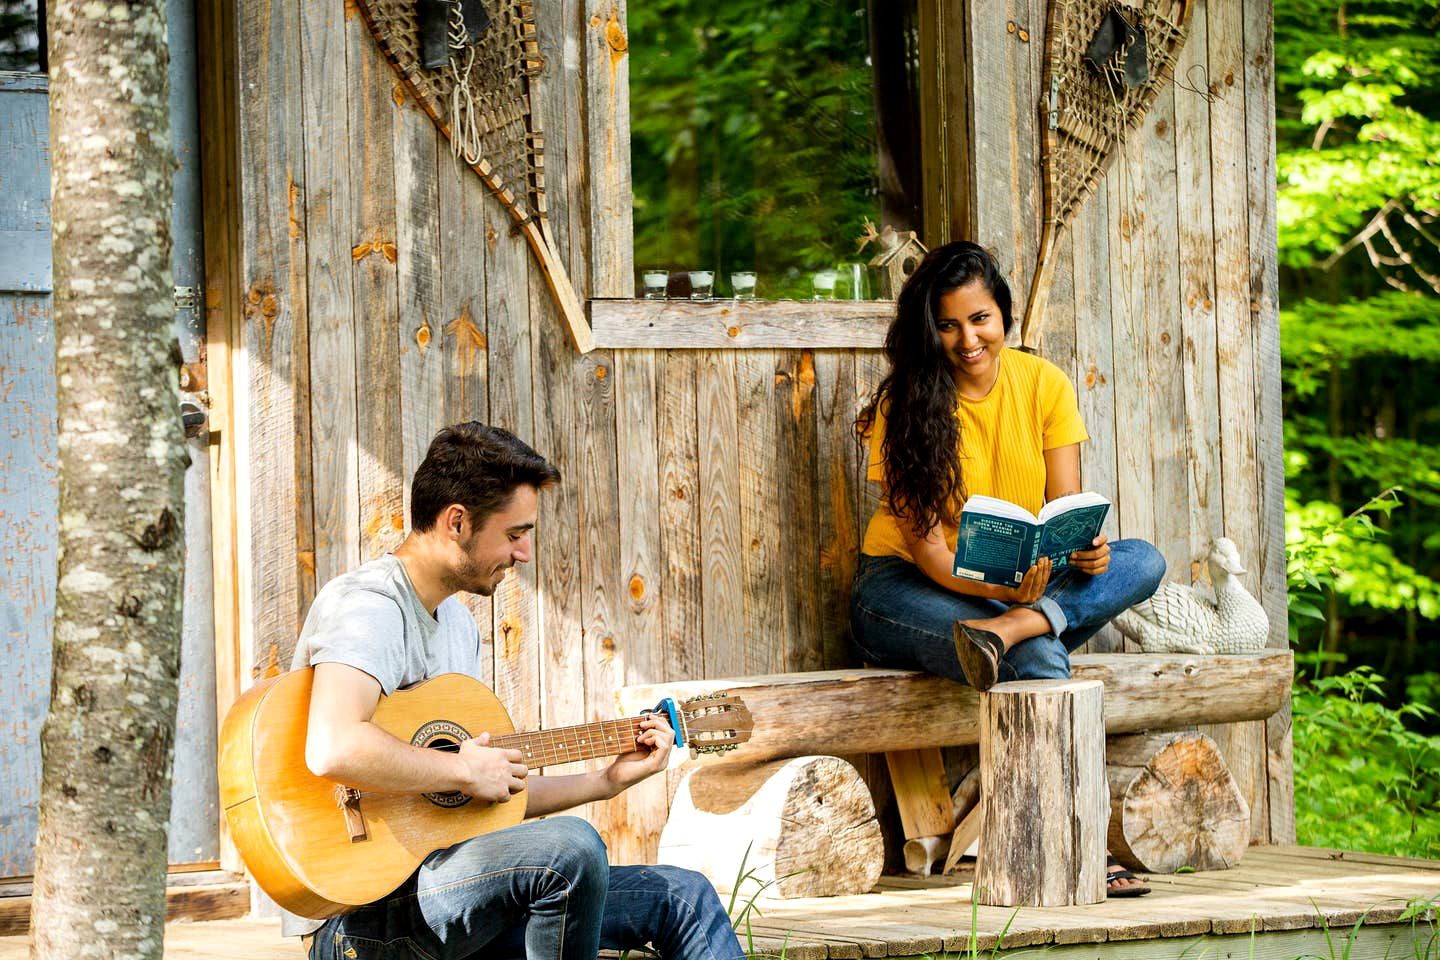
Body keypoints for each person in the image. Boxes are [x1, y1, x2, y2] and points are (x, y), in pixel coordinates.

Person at [286, 422, 746, 960]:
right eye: (514, 533)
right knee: (571, 847)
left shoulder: (457, 625)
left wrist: (606, 780)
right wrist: (460, 768)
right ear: (457, 521)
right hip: (359, 915)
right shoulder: (370, 605)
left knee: (683, 897)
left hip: (452, 895)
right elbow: (333, 746)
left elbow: (481, 798)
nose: (525, 552)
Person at [848, 241, 1165, 898]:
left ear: (1003, 315)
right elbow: (931, 550)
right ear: (928, 329)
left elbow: (1066, 510)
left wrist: (1086, 553)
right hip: (903, 591)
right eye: (949, 324)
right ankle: (1079, 843)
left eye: (981, 318)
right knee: (1039, 656)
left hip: (1014, 593)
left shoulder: (1043, 383)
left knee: (1141, 561)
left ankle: (1019, 625)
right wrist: (1002, 595)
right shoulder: (902, 405)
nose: (969, 339)